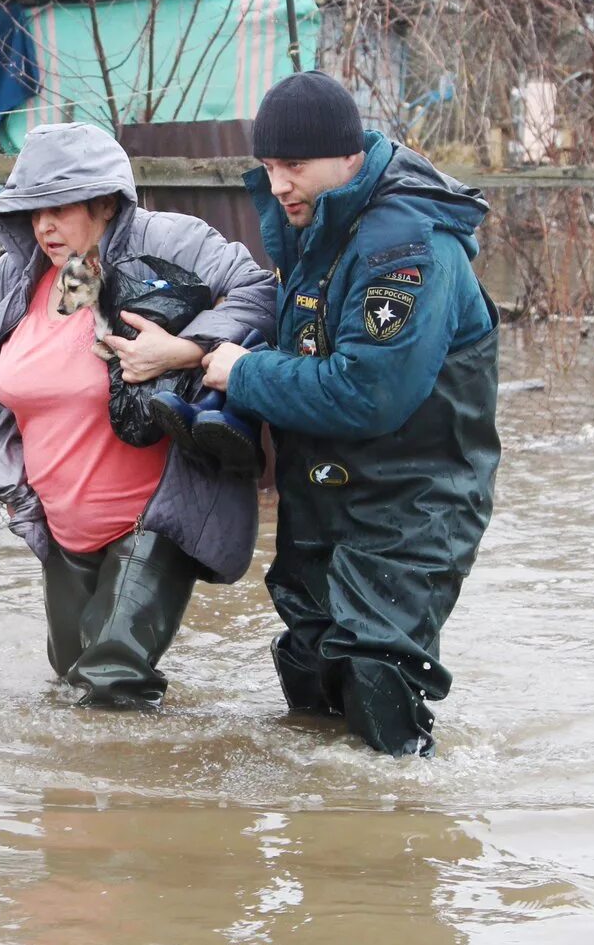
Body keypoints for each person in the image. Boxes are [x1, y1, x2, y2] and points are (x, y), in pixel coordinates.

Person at [201, 71, 500, 756]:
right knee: (312, 670)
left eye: (294, 166)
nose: (277, 184)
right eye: (268, 166)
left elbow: (370, 392)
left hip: (416, 500)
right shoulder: (314, 227)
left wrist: (244, 373)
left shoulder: (408, 244)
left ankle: (401, 843)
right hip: (325, 498)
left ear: (348, 155)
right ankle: (324, 848)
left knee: (377, 674)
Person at [0, 122, 277, 707]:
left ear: (106, 200)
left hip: (152, 518)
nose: (44, 225)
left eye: (60, 207)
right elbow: (40, 377)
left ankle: (143, 796)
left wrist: (185, 350)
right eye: (33, 210)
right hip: (64, 526)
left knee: (112, 683)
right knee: (70, 682)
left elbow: (260, 294)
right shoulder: (23, 280)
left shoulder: (167, 241)